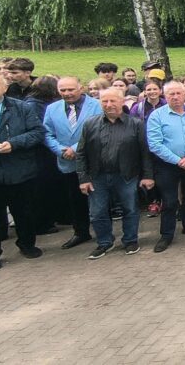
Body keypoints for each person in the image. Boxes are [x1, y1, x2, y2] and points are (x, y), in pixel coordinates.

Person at [75, 88, 154, 258]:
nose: (109, 104)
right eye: (104, 101)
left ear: (122, 101)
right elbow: (81, 153)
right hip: (97, 176)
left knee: (130, 209)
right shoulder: (90, 124)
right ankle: (104, 242)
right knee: (97, 212)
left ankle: (130, 240)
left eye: (113, 101)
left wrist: (148, 176)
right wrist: (83, 178)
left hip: (126, 175)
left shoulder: (136, 124)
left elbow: (145, 152)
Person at [0, 72, 45, 271]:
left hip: (19, 171)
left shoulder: (22, 107)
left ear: (5, 88)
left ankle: (27, 244)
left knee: (24, 212)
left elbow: (37, 133)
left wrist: (14, 143)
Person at [145, 81, 185, 253]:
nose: (175, 97)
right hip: (167, 165)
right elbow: (155, 144)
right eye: (171, 94)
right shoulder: (156, 116)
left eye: (178, 93)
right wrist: (177, 160)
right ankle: (166, 235)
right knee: (169, 200)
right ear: (165, 96)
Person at [43, 76, 103, 250]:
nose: (67, 93)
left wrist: (75, 149)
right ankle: (81, 232)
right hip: (67, 161)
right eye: (63, 90)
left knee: (99, 199)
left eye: (71, 89)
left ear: (81, 88)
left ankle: (103, 233)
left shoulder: (97, 105)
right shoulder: (52, 109)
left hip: (94, 160)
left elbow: (100, 130)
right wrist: (59, 149)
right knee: (75, 199)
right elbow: (47, 133)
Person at [23, 77, 62, 235]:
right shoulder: (33, 105)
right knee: (41, 189)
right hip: (41, 153)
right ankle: (42, 223)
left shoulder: (38, 103)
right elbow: (41, 130)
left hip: (46, 152)